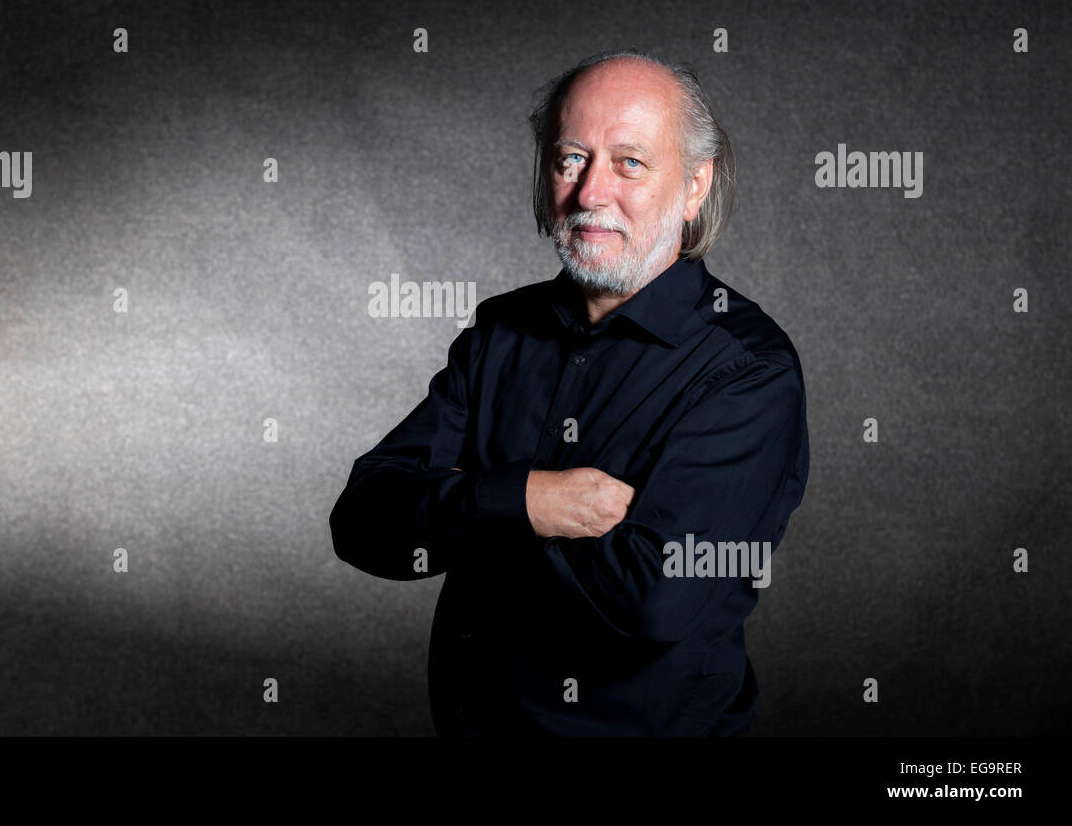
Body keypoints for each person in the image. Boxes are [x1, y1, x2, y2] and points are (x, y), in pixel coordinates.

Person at [329, 48, 810, 735]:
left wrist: (468, 507)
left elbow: (657, 597)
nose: (589, 194)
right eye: (570, 159)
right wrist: (531, 500)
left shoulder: (748, 371)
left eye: (630, 163)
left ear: (696, 186)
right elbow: (365, 520)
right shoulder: (502, 331)